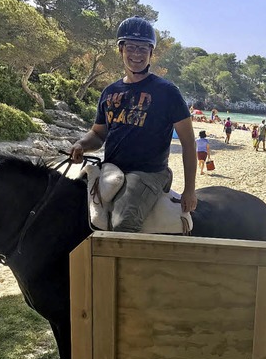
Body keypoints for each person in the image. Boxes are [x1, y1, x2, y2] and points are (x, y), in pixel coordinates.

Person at [70, 16, 197, 232]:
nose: (136, 54)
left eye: (143, 48)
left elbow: (188, 143)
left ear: (151, 52)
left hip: (149, 173)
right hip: (111, 168)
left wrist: (190, 190)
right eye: (131, 47)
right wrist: (81, 144)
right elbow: (98, 134)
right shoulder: (109, 92)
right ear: (121, 50)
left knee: (123, 223)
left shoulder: (167, 92)